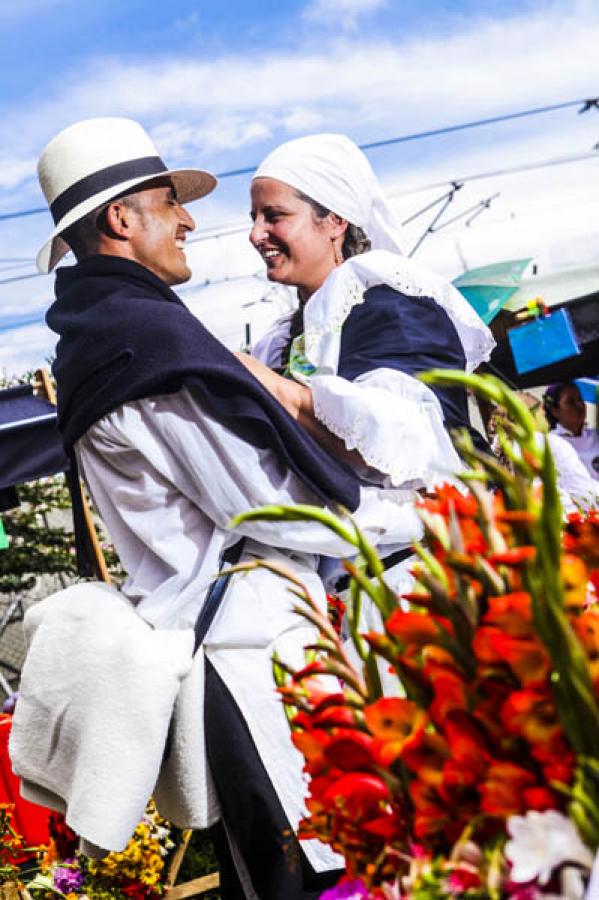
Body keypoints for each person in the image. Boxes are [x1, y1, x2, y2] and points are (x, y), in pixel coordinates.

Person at [29, 117, 424, 900]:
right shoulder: (142, 343)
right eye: (168, 202)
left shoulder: (105, 337)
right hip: (256, 662)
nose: (186, 220)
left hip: (247, 650)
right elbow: (272, 514)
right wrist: (424, 516)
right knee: (314, 876)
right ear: (121, 220)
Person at [234, 133, 495, 596]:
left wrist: (270, 387)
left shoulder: (390, 300)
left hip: (428, 578)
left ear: (333, 220)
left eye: (274, 216)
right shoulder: (284, 337)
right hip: (350, 587)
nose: (256, 234)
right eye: (254, 218)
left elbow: (401, 443)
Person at [542, 382, 598, 508]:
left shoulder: (596, 436)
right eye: (570, 402)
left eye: (580, 399)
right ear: (555, 410)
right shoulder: (551, 444)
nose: (579, 405)